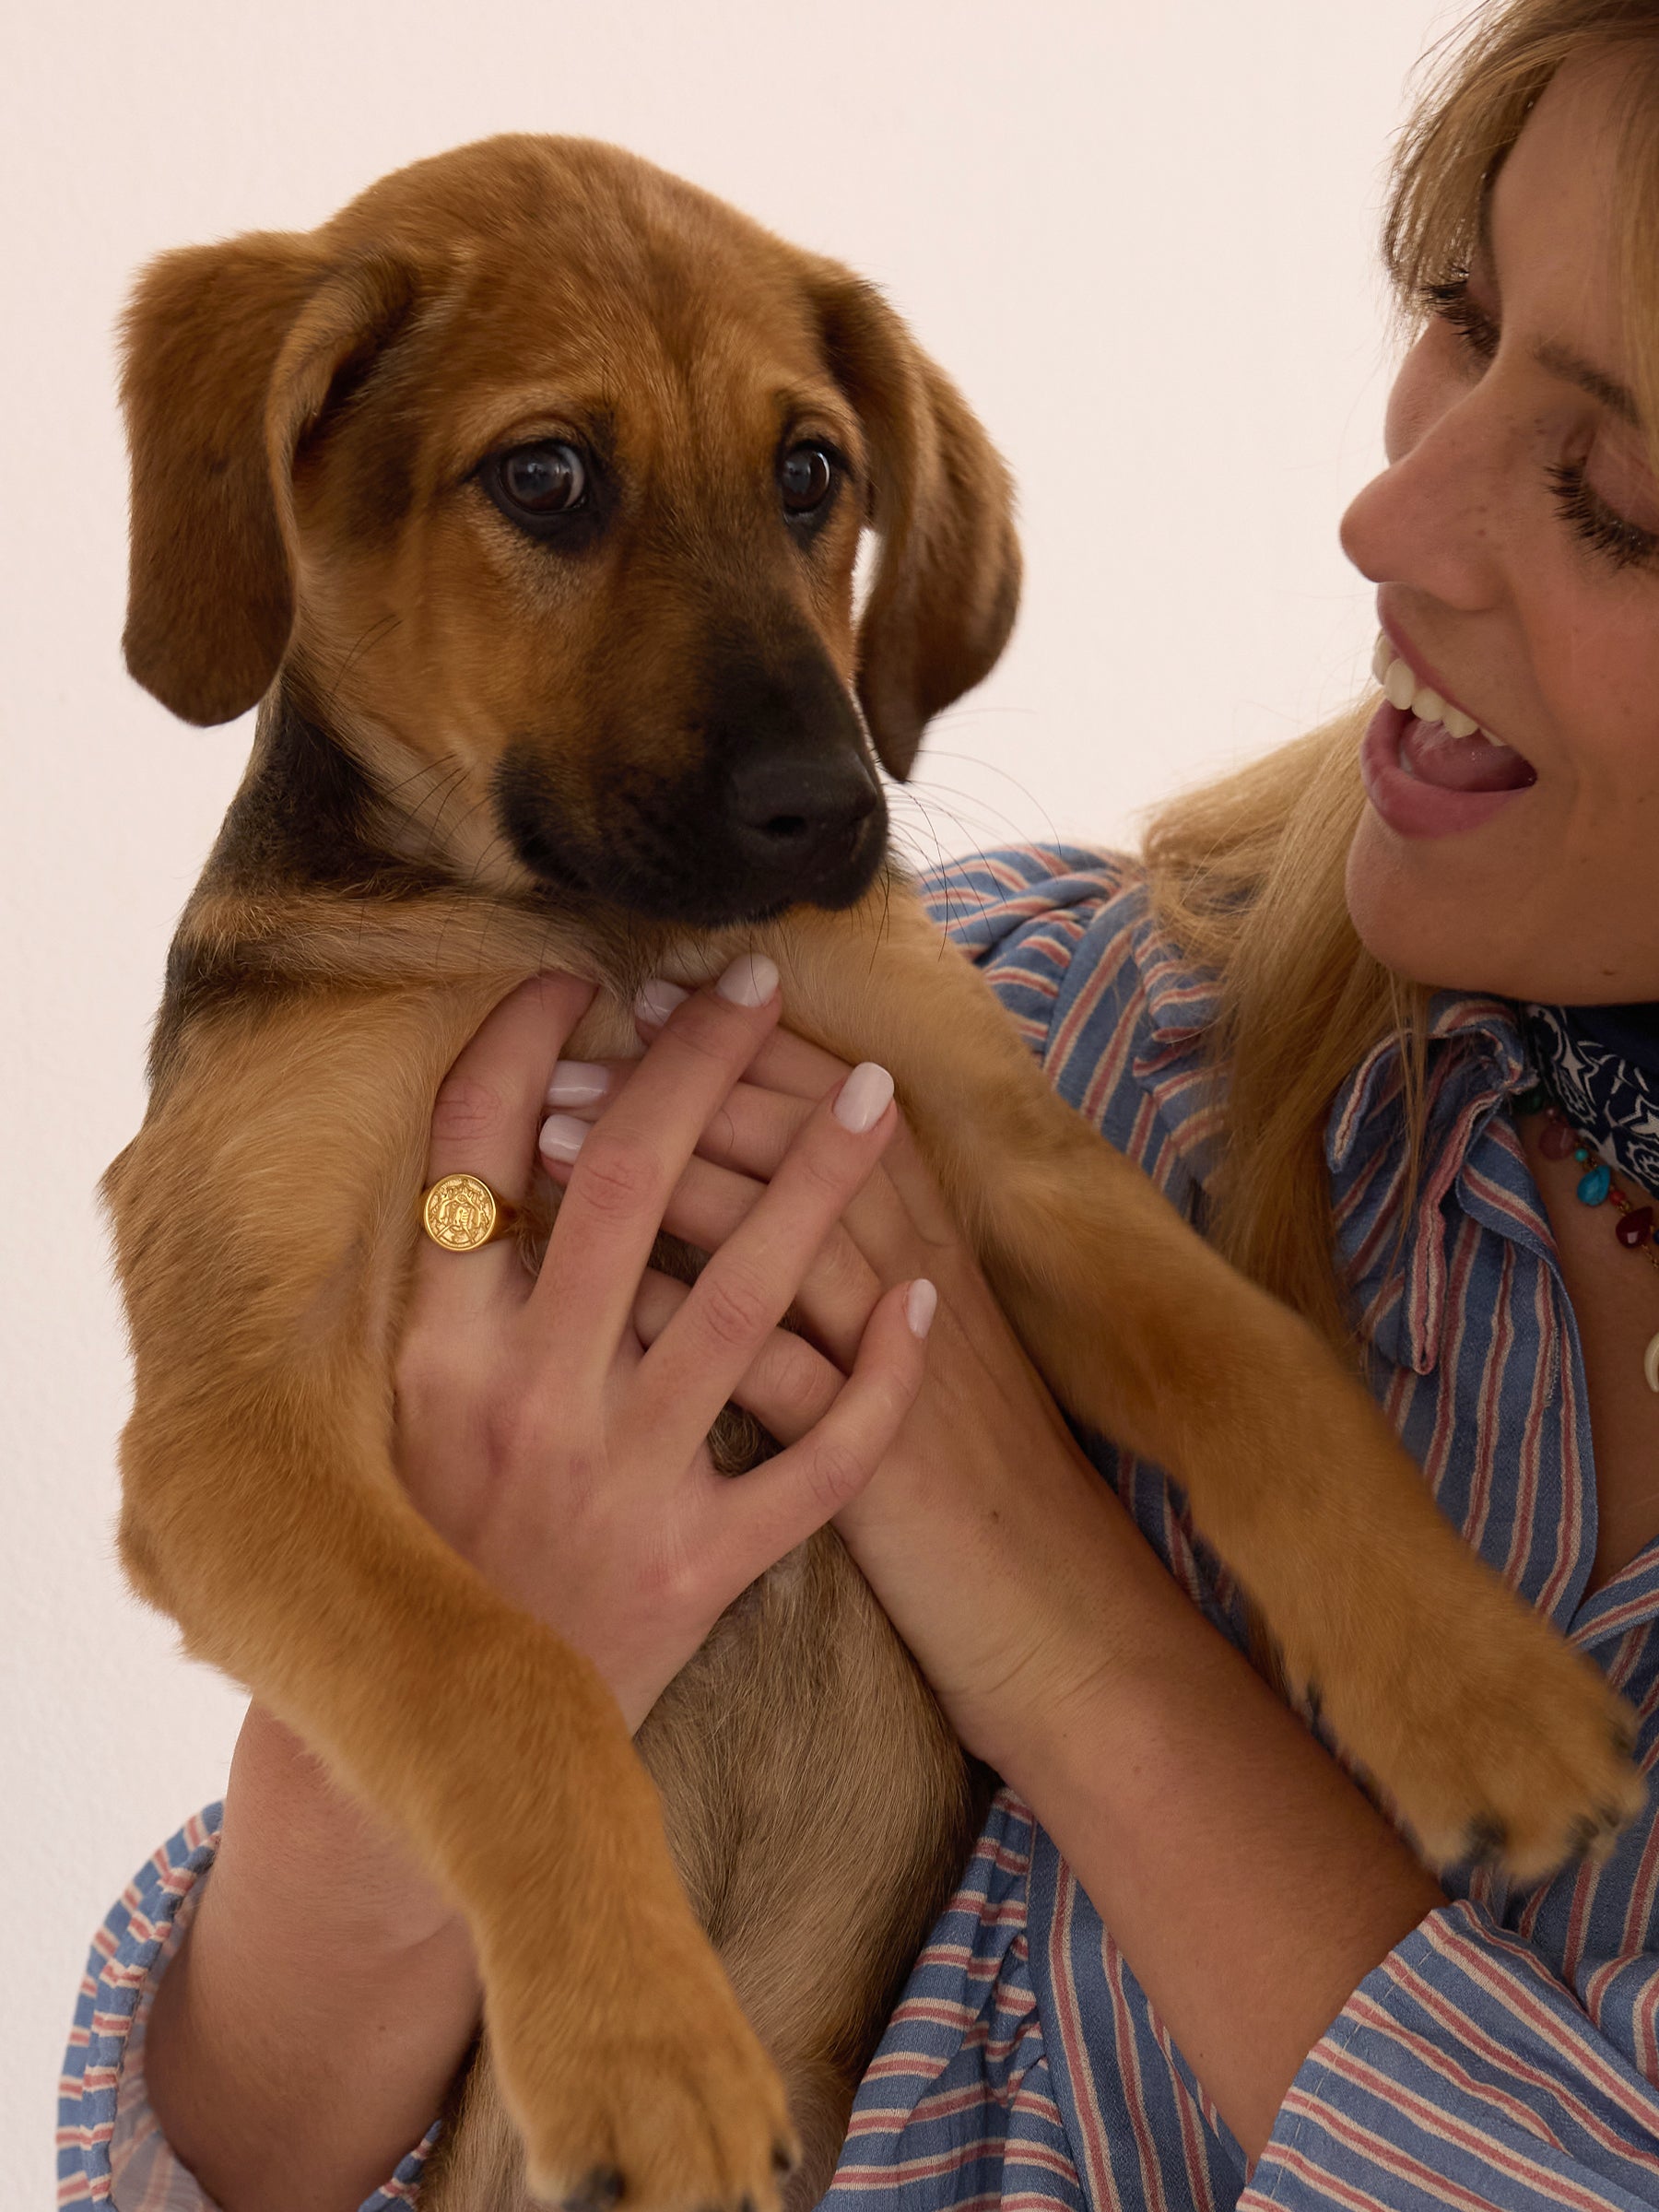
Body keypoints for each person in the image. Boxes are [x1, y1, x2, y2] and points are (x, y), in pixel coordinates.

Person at [59, 1, 1659, 2205]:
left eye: (1617, 491)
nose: (1387, 513)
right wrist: (500, 1720)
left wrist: (1069, 1604)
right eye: (1453, 322)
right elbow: (202, 2140)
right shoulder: (1089, 1001)